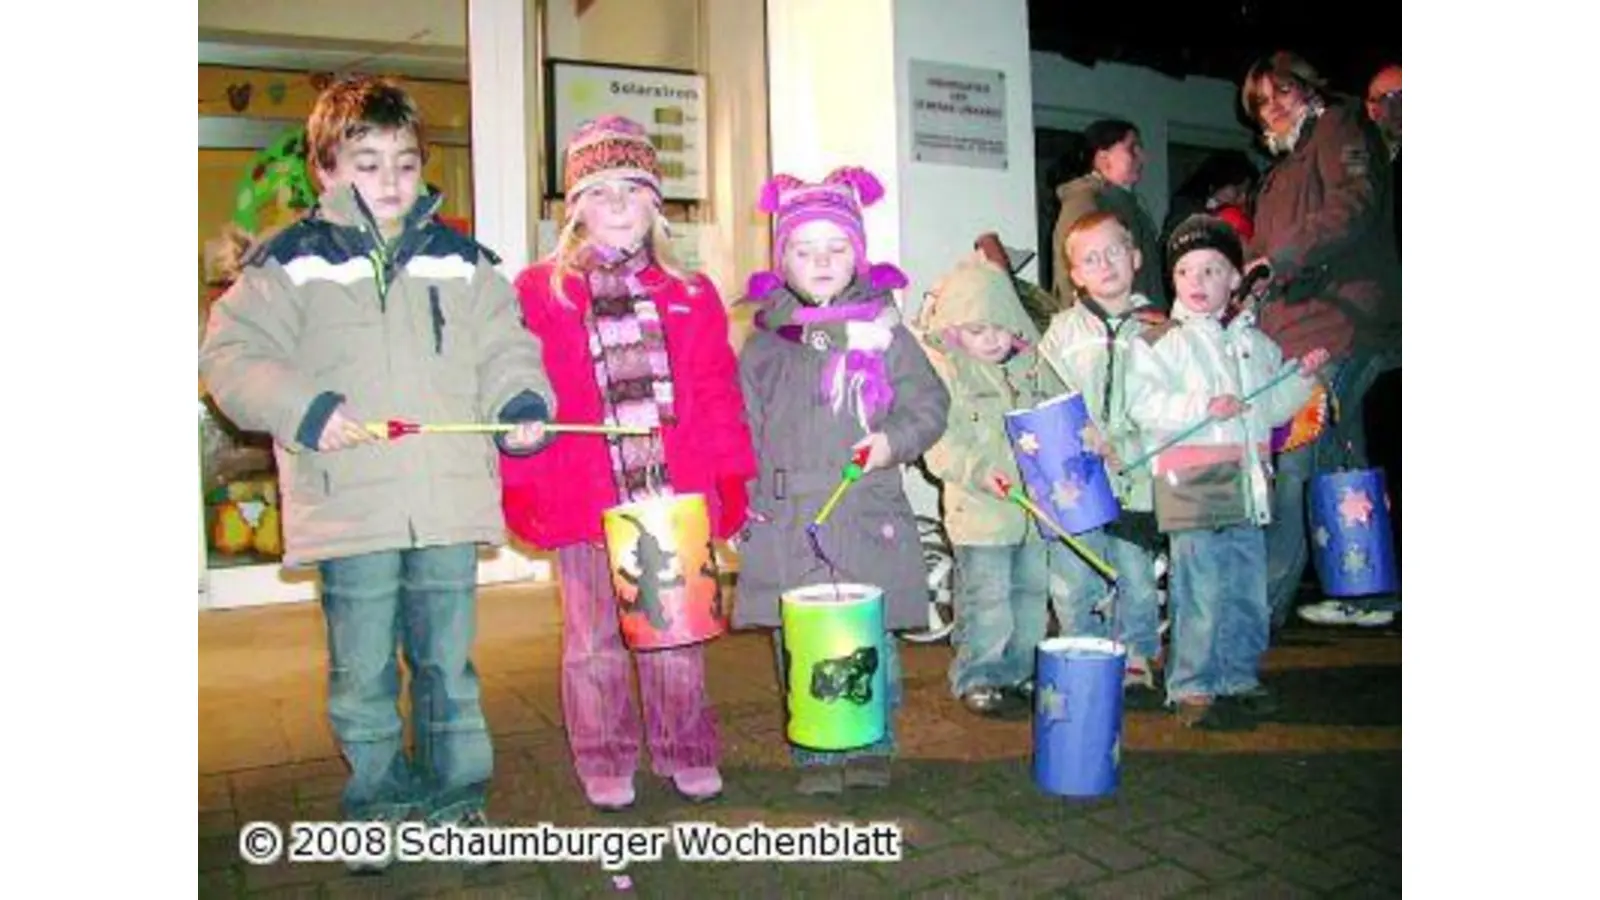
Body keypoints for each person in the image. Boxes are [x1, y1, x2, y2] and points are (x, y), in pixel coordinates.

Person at [199, 75, 555, 869]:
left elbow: (507, 347)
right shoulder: (289, 262)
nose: (390, 182)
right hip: (348, 502)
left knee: (447, 667)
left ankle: (455, 800)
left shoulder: (463, 262)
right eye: (366, 163)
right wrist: (306, 406)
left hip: (445, 500)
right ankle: (379, 802)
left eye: (403, 162)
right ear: (326, 168)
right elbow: (230, 358)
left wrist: (521, 400)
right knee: (360, 671)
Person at [498, 116, 758, 811]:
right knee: (591, 641)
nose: (616, 203)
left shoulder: (692, 292)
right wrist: (521, 478)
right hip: (584, 496)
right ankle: (605, 756)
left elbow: (716, 392)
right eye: (598, 189)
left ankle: (686, 749)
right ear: (573, 206)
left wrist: (731, 477)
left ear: (656, 202)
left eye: (632, 188)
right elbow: (517, 394)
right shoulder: (537, 293)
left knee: (675, 639)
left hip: (668, 497)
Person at [734, 167, 950, 794]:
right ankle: (817, 748)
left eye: (836, 248)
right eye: (804, 250)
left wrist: (892, 443)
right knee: (803, 633)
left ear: (858, 254)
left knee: (867, 630)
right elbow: (744, 430)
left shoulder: (885, 333)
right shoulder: (765, 345)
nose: (821, 261)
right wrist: (745, 507)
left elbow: (928, 405)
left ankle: (873, 739)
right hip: (789, 515)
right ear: (783, 261)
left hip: (865, 506)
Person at [1124, 215, 1329, 729]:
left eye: (1212, 270)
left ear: (1235, 279)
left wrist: (1302, 379)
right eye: (1186, 271)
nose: (1197, 282)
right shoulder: (1158, 341)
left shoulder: (1256, 346)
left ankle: (1238, 675)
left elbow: (1273, 408)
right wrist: (1201, 405)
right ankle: (1192, 685)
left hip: (1249, 479)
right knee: (1199, 587)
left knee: (1244, 585)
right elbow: (1143, 404)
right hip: (1192, 481)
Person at [1239, 51, 1400, 629]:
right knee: (1335, 457)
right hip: (1294, 333)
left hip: (1337, 322)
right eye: (1262, 102)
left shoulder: (1340, 126)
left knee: (1299, 465)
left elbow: (1352, 206)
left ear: (1307, 87)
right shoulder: (1280, 172)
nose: (1273, 107)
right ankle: (1363, 585)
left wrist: (1275, 260)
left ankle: (1258, 613)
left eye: (1282, 92)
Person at [915, 250, 1063, 718]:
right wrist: (981, 471)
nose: (993, 340)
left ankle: (1020, 670)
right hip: (980, 515)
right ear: (955, 329)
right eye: (978, 331)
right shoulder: (947, 374)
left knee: (1031, 597)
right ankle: (978, 674)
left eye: (1001, 327)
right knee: (987, 600)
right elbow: (938, 445)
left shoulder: (1032, 366)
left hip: (1034, 513)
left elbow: (1061, 414)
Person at [1038, 211, 1168, 708]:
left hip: (1135, 475)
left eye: (1114, 251)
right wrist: (1075, 442)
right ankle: (1084, 654)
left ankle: (1136, 657)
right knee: (1074, 574)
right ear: (1076, 275)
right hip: (1078, 476)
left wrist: (1129, 447)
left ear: (1135, 257)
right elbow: (1045, 396)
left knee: (1135, 572)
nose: (1105, 264)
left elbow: (1170, 403)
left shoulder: (1160, 330)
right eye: (1090, 258)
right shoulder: (1063, 333)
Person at [1050, 119, 1167, 312]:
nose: (1142, 157)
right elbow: (1077, 279)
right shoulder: (1085, 201)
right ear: (1103, 159)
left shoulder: (1127, 203)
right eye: (1132, 149)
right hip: (1107, 332)